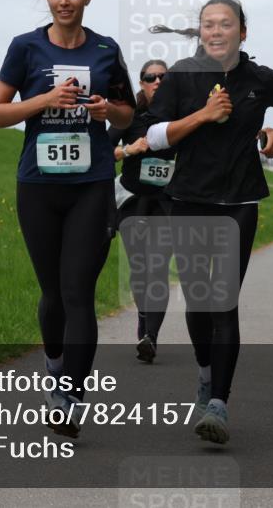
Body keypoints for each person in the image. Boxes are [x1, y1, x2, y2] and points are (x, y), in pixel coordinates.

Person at [144, 0, 273, 444]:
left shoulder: (257, 78)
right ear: (200, 34)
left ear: (243, 32)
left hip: (239, 202)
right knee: (198, 302)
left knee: (223, 301)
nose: (216, 32)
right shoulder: (180, 77)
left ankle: (218, 403)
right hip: (189, 199)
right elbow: (154, 136)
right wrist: (201, 116)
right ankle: (204, 375)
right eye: (208, 25)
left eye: (226, 24)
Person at [0, 0, 135, 437]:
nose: (64, 1)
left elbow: (129, 115)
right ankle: (55, 367)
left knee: (78, 293)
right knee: (52, 294)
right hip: (39, 185)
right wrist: (45, 101)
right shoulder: (24, 47)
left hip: (91, 184)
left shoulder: (106, 50)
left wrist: (108, 109)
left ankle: (70, 397)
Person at [110, 60, 175, 364]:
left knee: (158, 266)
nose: (158, 81)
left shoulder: (181, 117)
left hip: (166, 203)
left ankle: (151, 337)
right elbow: (101, 153)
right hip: (133, 201)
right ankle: (144, 319)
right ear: (142, 83)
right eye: (151, 77)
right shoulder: (129, 117)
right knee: (140, 267)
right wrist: (128, 150)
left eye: (164, 77)